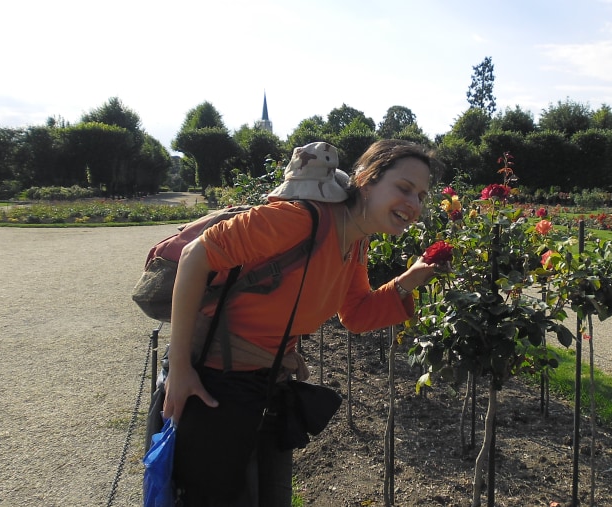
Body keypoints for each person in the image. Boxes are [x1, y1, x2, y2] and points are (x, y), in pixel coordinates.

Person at [164, 139, 442, 506]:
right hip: (216, 384)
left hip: (269, 385)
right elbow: (194, 254)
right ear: (366, 180)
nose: (413, 204)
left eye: (421, 196)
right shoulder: (301, 219)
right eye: (404, 188)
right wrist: (181, 369)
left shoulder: (354, 241)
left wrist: (412, 278)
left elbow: (356, 313)